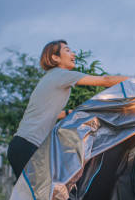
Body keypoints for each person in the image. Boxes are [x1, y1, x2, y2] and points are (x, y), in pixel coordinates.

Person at [7, 39, 127, 180]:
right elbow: (106, 80)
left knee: (37, 197)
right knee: (42, 197)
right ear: (55, 57)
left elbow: (50, 112)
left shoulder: (52, 77)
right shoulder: (60, 74)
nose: (73, 54)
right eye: (67, 50)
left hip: (22, 145)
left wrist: (71, 113)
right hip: (27, 146)